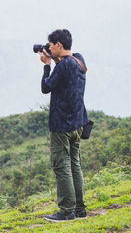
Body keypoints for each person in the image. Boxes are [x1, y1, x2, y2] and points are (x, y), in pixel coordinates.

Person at [38, 29, 88, 222]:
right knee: (75, 164)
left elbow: (46, 88)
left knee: (62, 166)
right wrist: (55, 59)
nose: (49, 48)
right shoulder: (78, 59)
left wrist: (46, 65)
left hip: (61, 124)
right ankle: (80, 209)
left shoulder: (61, 66)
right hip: (78, 122)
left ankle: (67, 211)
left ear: (59, 45)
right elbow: (66, 73)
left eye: (51, 45)